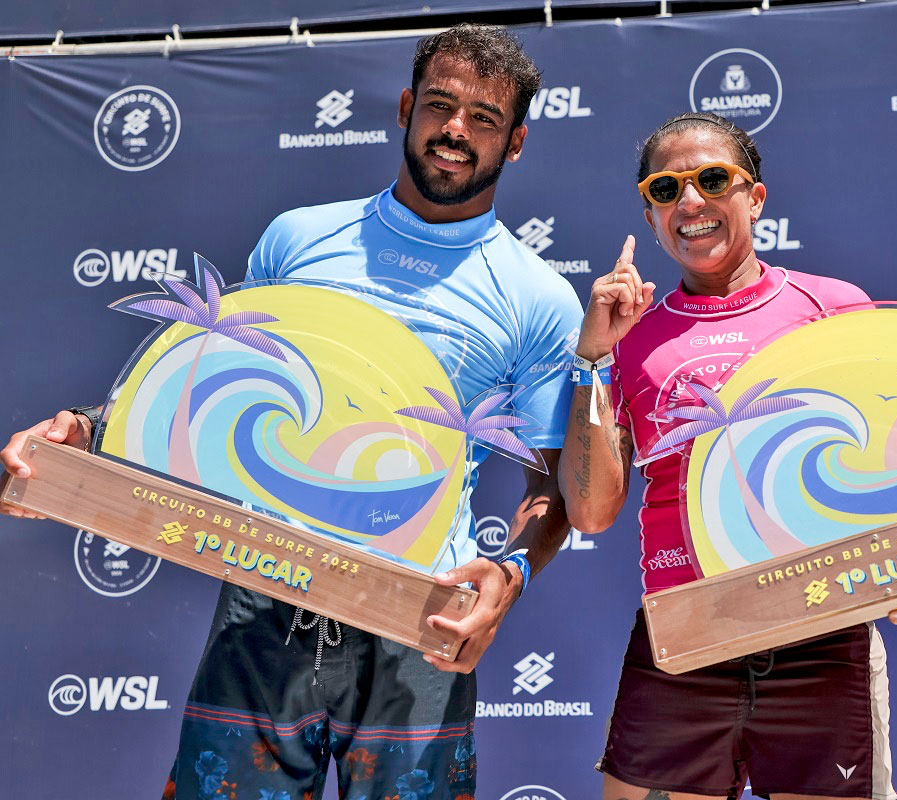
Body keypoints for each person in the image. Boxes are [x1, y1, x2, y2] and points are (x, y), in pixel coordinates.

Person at [1, 25, 582, 800]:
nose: (454, 131)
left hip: (421, 614)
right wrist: (81, 428)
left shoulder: (539, 297)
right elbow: (201, 384)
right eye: (439, 105)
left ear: (514, 144)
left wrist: (508, 574)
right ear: (406, 107)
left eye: (483, 119)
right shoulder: (299, 238)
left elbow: (550, 493)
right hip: (264, 589)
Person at [559, 111, 897, 800]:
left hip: (820, 628)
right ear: (650, 211)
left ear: (756, 196)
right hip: (684, 633)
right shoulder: (627, 340)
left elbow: (895, 466)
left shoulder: (833, 307)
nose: (690, 202)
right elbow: (592, 511)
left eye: (712, 179)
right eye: (666, 188)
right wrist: (593, 359)